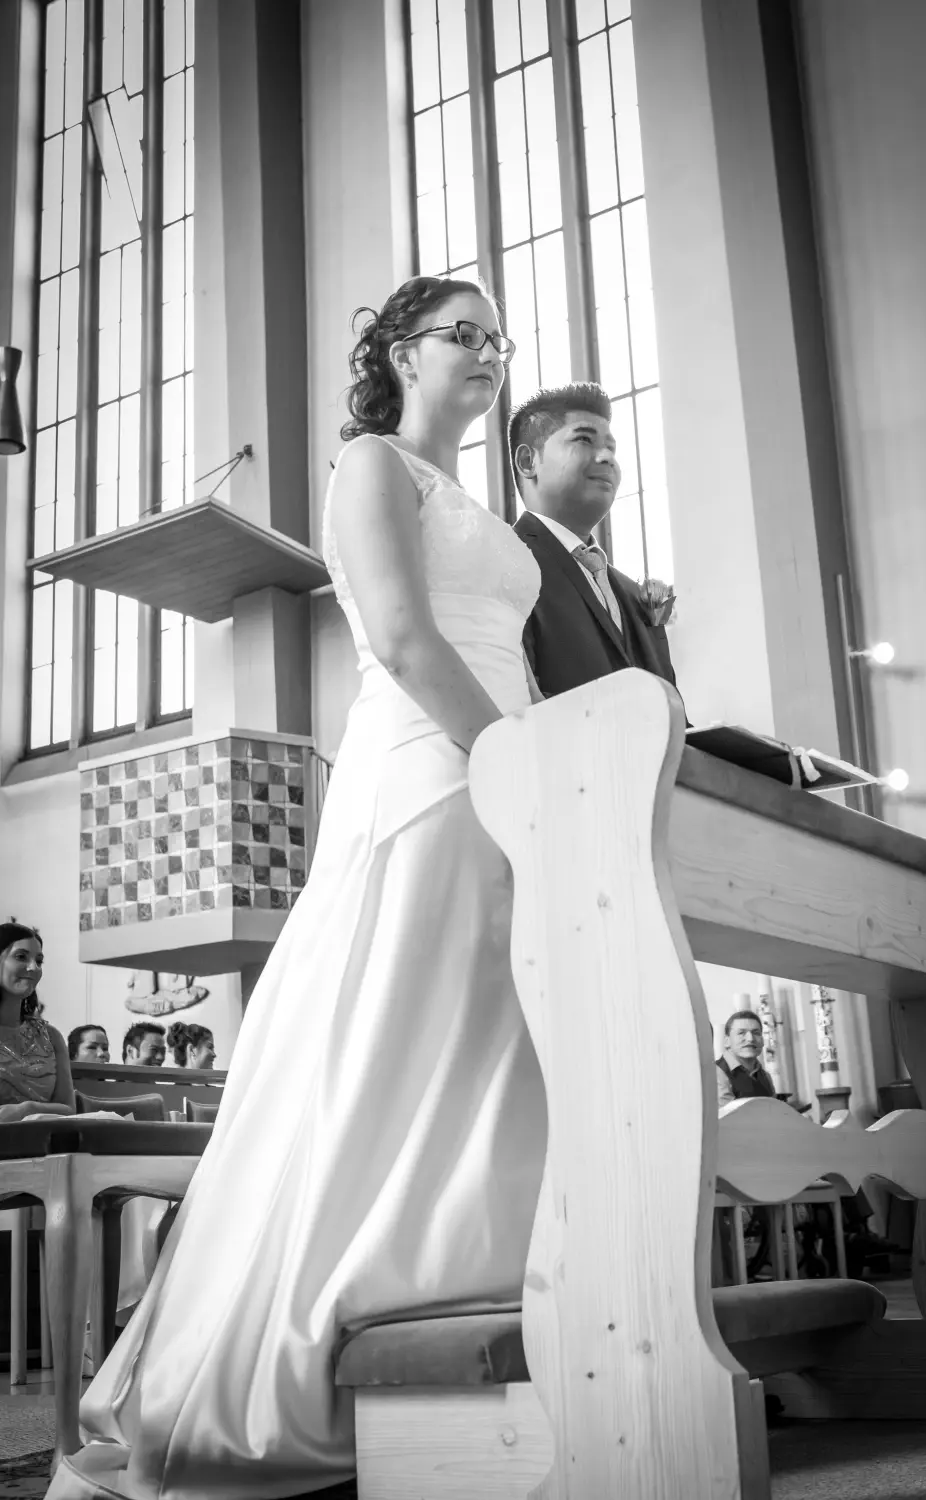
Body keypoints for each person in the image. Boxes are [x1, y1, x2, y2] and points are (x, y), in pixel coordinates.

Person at [48, 275, 547, 1499]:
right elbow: (406, 637)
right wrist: (516, 766)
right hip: (434, 765)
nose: (488, 353)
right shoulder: (372, 465)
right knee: (400, 1026)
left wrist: (553, 768)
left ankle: (479, 1289)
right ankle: (327, 1326)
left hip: (512, 758)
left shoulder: (483, 506)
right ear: (399, 352)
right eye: (463, 334)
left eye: (499, 339)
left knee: (495, 1029)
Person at [510, 383, 680, 701]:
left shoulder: (633, 593)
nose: (607, 458)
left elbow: (672, 712)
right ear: (528, 461)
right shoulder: (505, 565)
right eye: (584, 440)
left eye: (611, 448)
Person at [0, 920, 75, 1124]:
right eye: (21, 957)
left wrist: (27, 1109)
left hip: (43, 1140)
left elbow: (68, 1109)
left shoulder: (51, 1036)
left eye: (39, 961)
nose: (33, 967)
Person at [716, 1010, 776, 1107]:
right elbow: (730, 1114)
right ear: (727, 1041)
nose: (750, 1039)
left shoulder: (765, 1076)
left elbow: (775, 1111)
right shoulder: (717, 1074)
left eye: (756, 1033)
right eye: (741, 1033)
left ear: (762, 1041)